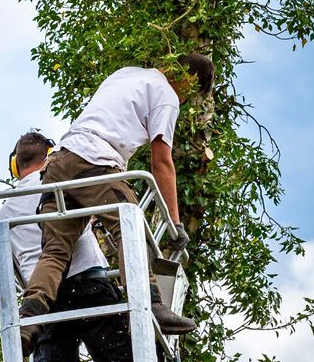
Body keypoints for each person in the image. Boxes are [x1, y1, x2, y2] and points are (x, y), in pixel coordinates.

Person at [19, 54, 212, 338]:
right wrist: (175, 222)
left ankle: (30, 320)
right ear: (188, 80)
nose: (183, 101)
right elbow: (161, 161)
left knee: (56, 251)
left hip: (59, 163)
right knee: (130, 228)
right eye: (189, 94)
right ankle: (152, 303)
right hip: (95, 161)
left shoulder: (126, 73)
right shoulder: (167, 94)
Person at [7, 131, 137, 362]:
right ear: (51, 155)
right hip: (88, 283)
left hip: (44, 303)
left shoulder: (6, 210)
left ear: (16, 165)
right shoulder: (64, 181)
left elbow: (13, 269)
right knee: (119, 361)